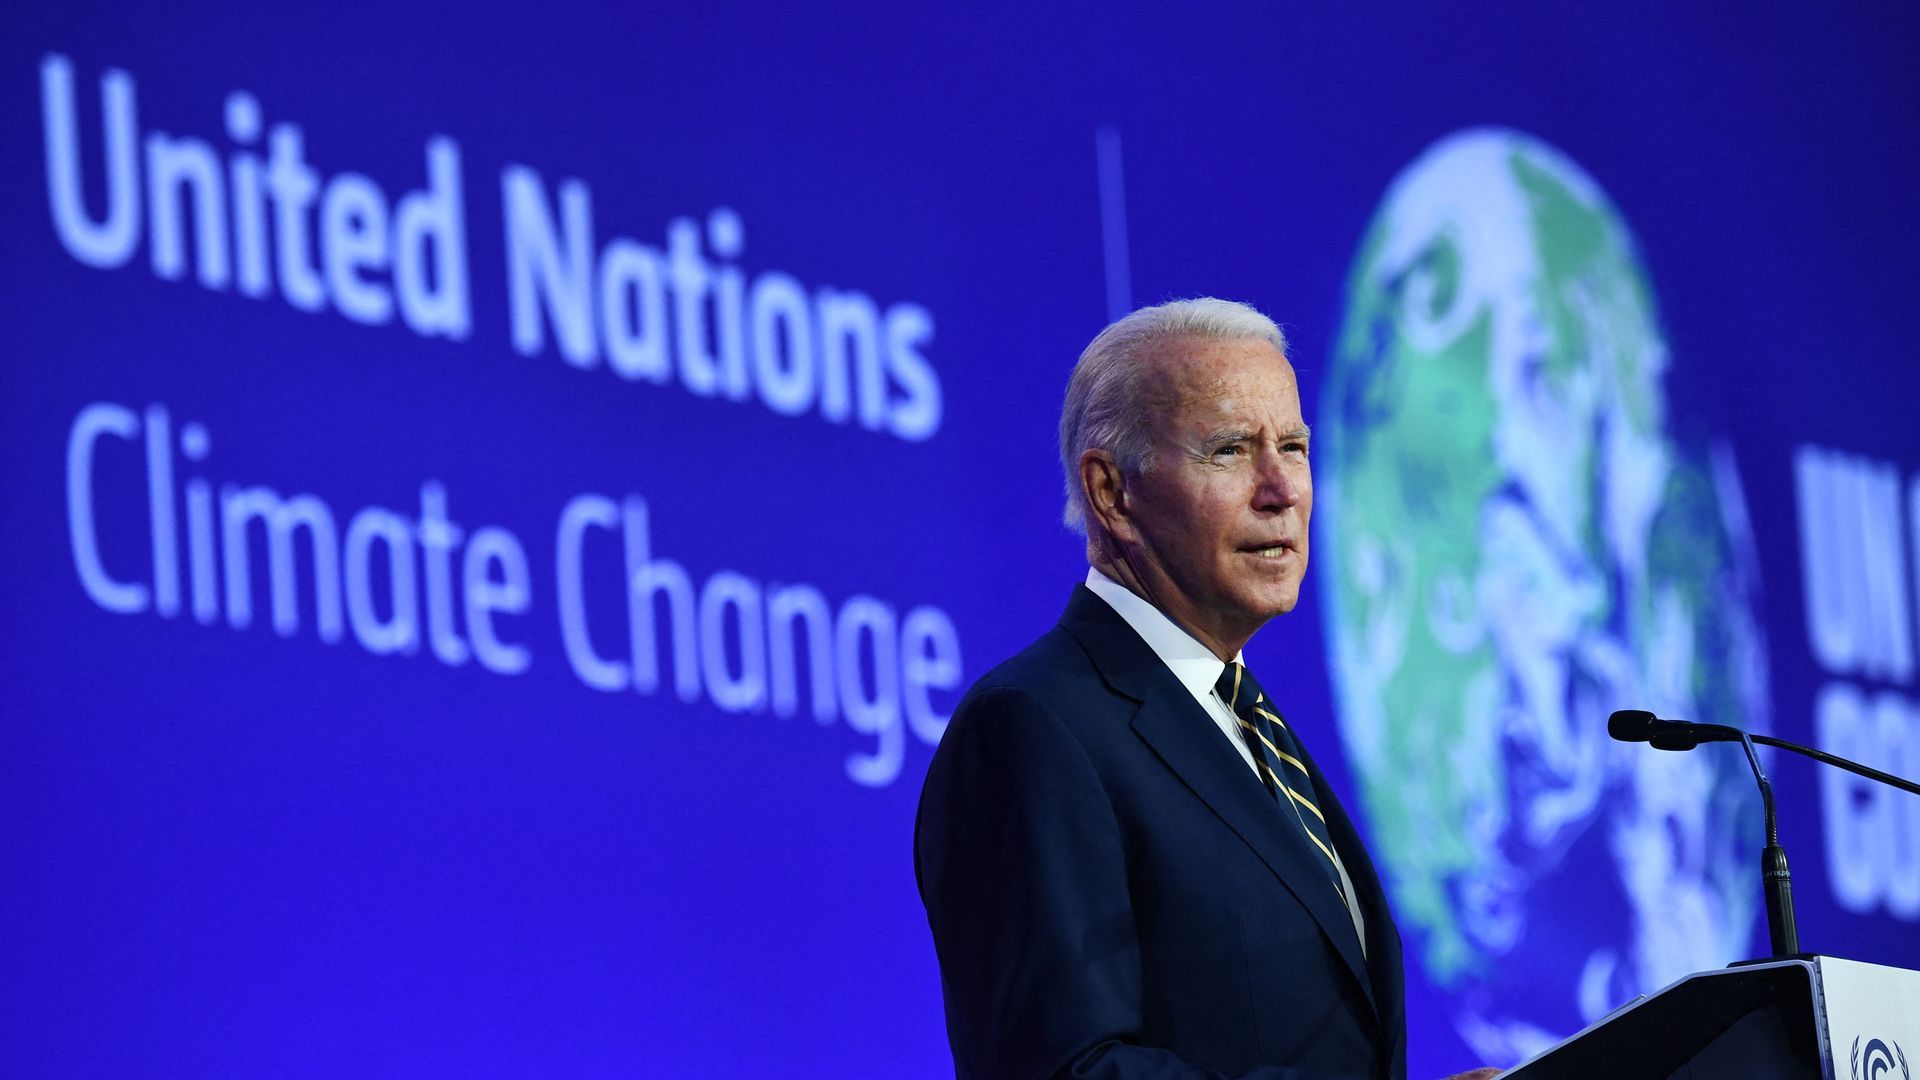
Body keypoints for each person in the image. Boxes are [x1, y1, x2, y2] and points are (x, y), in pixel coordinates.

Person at [914, 299, 1499, 1080]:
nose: (1280, 489)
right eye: (1230, 449)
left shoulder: (1250, 727)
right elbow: (1063, 1071)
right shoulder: (1036, 726)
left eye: (1293, 447)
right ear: (1111, 492)